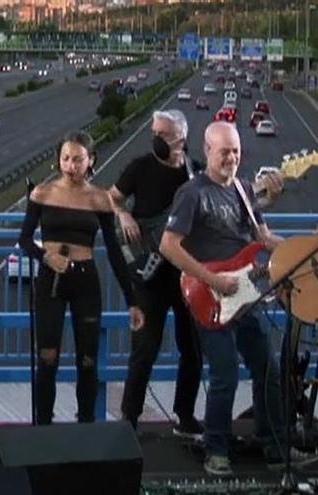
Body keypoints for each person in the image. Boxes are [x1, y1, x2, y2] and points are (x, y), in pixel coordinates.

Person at [159, 122, 318, 476]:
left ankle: (276, 448)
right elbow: (168, 245)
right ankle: (216, 449)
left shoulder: (245, 191)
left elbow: (262, 237)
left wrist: (306, 248)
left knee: (269, 369)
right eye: (224, 152)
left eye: (235, 151)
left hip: (246, 296)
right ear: (207, 152)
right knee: (225, 374)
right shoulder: (192, 193)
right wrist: (212, 278)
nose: (231, 158)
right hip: (208, 295)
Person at [18, 130, 145, 425]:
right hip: (50, 280)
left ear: (90, 161)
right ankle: (43, 426)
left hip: (86, 282)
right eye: (65, 158)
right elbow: (24, 239)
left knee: (87, 362)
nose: (71, 165)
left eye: (77, 159)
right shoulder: (42, 193)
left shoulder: (99, 199)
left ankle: (85, 426)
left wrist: (132, 301)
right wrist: (46, 256)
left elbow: (114, 252)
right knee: (47, 358)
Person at [108, 110, 204, 439]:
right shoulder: (139, 167)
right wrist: (123, 215)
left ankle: (185, 415)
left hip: (186, 277)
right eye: (154, 132)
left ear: (181, 139)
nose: (156, 139)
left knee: (192, 349)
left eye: (163, 134)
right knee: (144, 351)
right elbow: (111, 198)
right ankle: (129, 420)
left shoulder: (196, 175)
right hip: (147, 278)